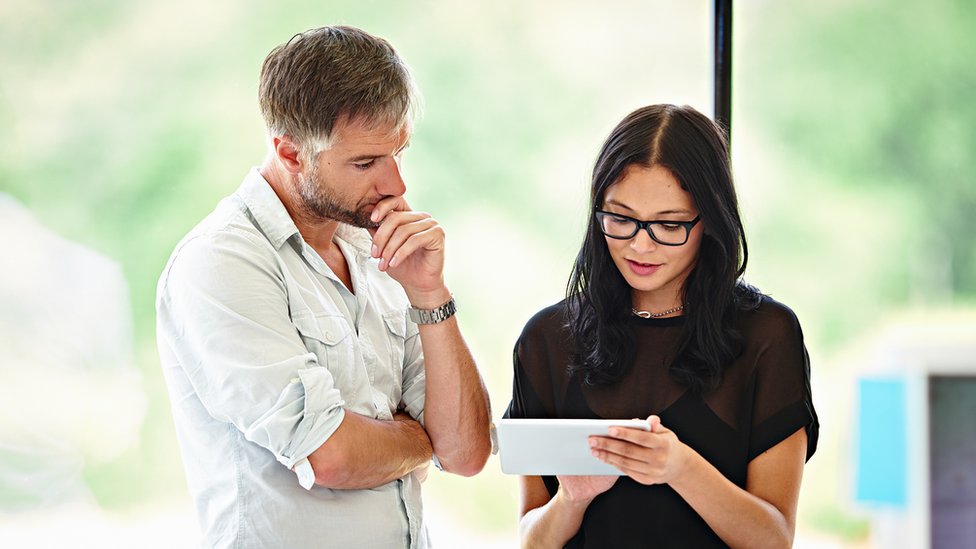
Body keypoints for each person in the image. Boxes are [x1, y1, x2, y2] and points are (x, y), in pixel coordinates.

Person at [155, 26, 492, 549]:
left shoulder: (379, 249)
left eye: (398, 153)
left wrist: (430, 295)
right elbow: (331, 456)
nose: (396, 186)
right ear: (290, 153)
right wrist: (421, 438)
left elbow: (467, 452)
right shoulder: (222, 264)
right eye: (365, 163)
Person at [507, 104, 819, 548]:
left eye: (669, 225)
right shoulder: (547, 339)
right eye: (620, 218)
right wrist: (571, 500)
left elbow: (774, 539)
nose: (639, 244)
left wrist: (681, 468)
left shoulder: (767, 335)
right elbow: (531, 541)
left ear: (709, 221)